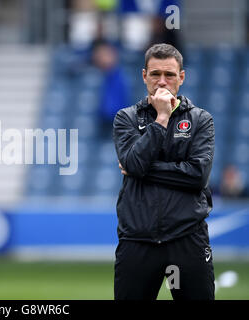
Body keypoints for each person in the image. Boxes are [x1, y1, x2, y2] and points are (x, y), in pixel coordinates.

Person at [112, 43, 215, 300]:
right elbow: (134, 164)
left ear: (181, 77)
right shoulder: (126, 118)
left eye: (169, 75)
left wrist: (142, 169)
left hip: (187, 239)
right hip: (138, 240)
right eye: (155, 74)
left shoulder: (201, 120)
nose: (162, 81)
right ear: (144, 75)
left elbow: (197, 176)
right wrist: (161, 118)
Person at [92, 40, 130, 139]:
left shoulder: (118, 76)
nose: (100, 58)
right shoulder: (100, 75)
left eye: (104, 55)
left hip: (113, 122)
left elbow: (113, 109)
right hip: (104, 122)